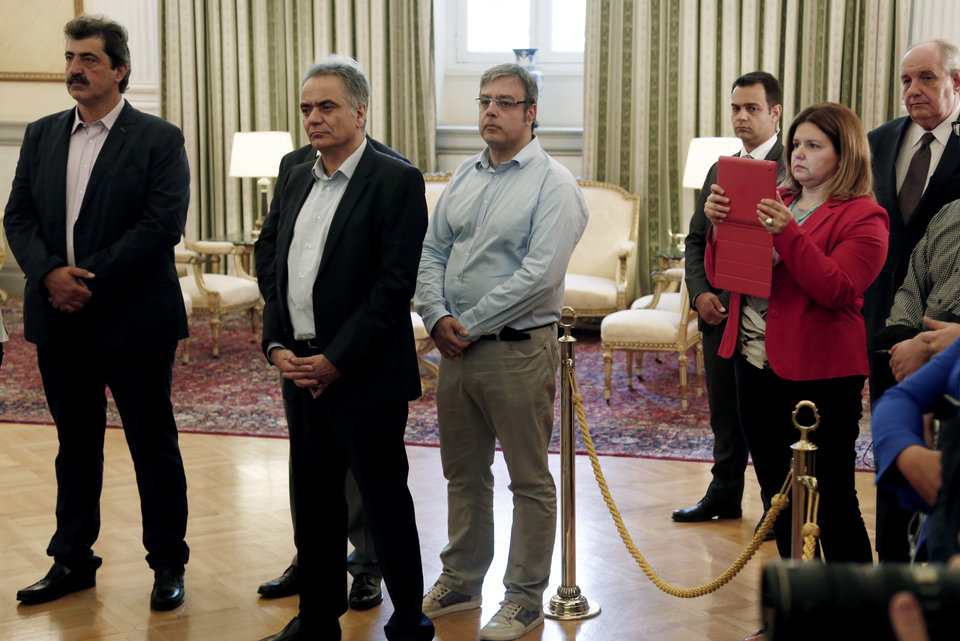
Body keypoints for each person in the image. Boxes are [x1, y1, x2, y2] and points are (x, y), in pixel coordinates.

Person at [4, 14, 190, 611]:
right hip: (59, 318)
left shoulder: (159, 138)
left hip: (134, 319)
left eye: (88, 59)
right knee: (75, 445)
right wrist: (49, 275)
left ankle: (167, 563)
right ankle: (72, 561)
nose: (75, 69)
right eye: (70, 57)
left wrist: (87, 280)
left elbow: (160, 225)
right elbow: (18, 216)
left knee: (151, 444)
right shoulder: (41, 134)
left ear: (120, 70)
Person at [253, 55, 433, 641]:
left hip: (364, 373)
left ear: (360, 111)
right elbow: (271, 260)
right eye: (307, 108)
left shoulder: (395, 179)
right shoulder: (293, 169)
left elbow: (392, 288)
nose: (313, 118)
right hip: (299, 368)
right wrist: (277, 343)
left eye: (326, 107)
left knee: (383, 503)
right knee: (314, 501)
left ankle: (409, 621)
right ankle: (317, 619)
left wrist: (337, 359)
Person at [414, 63, 588, 641]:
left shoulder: (554, 184)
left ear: (531, 113)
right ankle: (461, 580)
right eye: (485, 100)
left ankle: (523, 598)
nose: (490, 110)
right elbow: (432, 251)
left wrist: (466, 323)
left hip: (515, 351)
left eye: (505, 102)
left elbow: (540, 277)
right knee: (463, 474)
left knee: (528, 480)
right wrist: (436, 315)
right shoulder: (465, 175)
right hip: (456, 351)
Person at [703, 102, 887, 566]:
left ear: (844, 154)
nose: (798, 153)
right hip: (752, 363)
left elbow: (837, 289)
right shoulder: (776, 201)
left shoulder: (864, 216)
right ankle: (797, 601)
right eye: (795, 144)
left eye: (813, 145)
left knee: (833, 499)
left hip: (821, 373)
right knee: (777, 497)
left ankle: (854, 602)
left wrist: (788, 234)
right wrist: (721, 228)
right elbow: (726, 275)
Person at [678, 71, 786, 531]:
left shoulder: (794, 166)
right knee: (724, 413)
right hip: (719, 311)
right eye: (736, 108)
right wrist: (700, 292)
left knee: (767, 419)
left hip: (769, 315)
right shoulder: (719, 169)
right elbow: (694, 240)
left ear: (775, 113)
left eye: (752, 108)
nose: (741, 117)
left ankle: (777, 509)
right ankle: (724, 494)